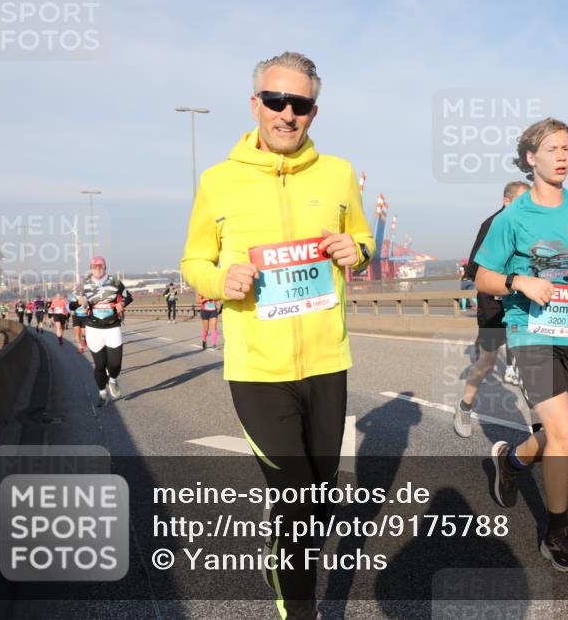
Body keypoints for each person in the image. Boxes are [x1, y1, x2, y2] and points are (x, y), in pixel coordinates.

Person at [181, 51, 374, 619]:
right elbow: (194, 260)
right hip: (258, 369)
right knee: (293, 495)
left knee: (321, 496)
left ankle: (287, 551)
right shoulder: (218, 181)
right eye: (275, 100)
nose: (287, 113)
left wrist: (357, 250)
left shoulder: (338, 173)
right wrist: (220, 279)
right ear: (255, 104)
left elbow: (363, 240)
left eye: (300, 104)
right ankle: (299, 608)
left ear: (314, 111)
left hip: (326, 362)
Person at [474, 118, 568, 571]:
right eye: (552, 149)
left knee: (561, 434)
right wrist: (518, 281)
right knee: (563, 433)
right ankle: (557, 531)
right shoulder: (512, 217)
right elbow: (482, 276)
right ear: (531, 158)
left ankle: (511, 461)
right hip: (529, 332)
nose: (562, 156)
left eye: (566, 148)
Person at [454, 180, 530, 438]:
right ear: (507, 201)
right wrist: (506, 277)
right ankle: (464, 405)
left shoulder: (530, 225)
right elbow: (474, 271)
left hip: (521, 300)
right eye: (522, 200)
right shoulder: (492, 225)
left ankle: (542, 431)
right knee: (487, 360)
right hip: (493, 301)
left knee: (531, 361)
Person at [82, 256, 133, 405]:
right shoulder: (83, 285)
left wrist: (122, 304)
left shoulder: (115, 282)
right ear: (90, 268)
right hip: (93, 328)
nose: (98, 268)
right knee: (100, 365)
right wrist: (79, 303)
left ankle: (113, 380)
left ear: (105, 267)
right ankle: (102, 394)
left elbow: (128, 297)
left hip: (112, 326)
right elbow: (72, 304)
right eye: (95, 266)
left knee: (115, 364)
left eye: (101, 266)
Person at [69, 289, 89, 354]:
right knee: (77, 332)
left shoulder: (87, 299)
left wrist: (87, 310)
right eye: (79, 293)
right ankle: (80, 348)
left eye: (81, 293)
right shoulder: (74, 299)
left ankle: (85, 339)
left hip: (84, 317)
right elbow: (70, 306)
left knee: (84, 333)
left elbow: (89, 307)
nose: (80, 294)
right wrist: (72, 311)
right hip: (76, 317)